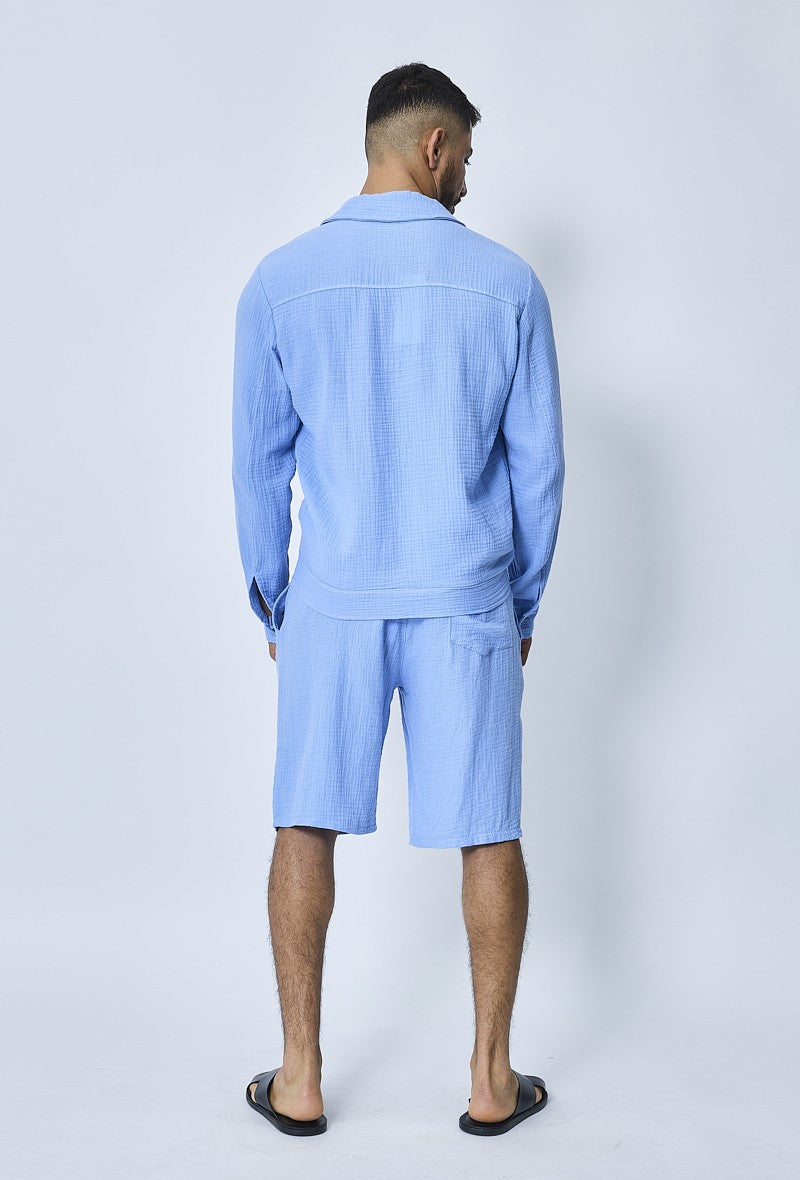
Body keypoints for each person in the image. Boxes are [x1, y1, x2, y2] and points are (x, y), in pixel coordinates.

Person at [232, 61, 565, 1138]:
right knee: (488, 829)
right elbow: (538, 472)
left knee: (304, 819)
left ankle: (297, 1078)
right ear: (433, 146)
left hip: (333, 598)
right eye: (465, 155)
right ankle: (489, 1080)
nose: (468, 174)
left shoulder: (281, 282)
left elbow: (257, 465)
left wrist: (276, 602)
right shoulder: (507, 285)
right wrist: (518, 605)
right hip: (464, 595)